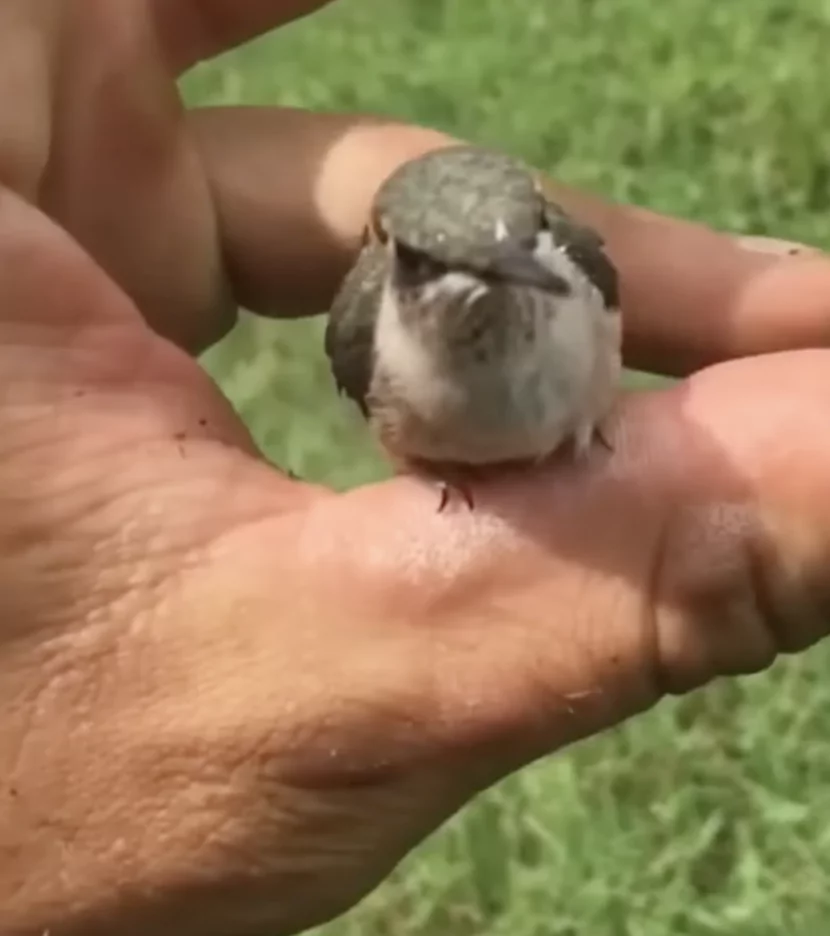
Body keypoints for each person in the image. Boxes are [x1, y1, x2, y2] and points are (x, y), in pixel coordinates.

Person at [2, 2, 830, 934]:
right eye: (438, 264)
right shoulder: (371, 333)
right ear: (390, 260)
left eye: (529, 241)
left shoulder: (578, 273)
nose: (508, 274)